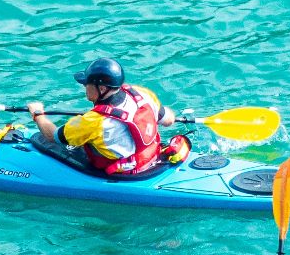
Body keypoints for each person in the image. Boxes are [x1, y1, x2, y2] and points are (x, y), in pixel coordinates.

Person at [26, 57, 189, 178]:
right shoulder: (142, 94)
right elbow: (168, 120)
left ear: (102, 88)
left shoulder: (93, 121)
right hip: (152, 160)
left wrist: (38, 114)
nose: (84, 87)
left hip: (124, 172)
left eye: (86, 84)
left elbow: (52, 136)